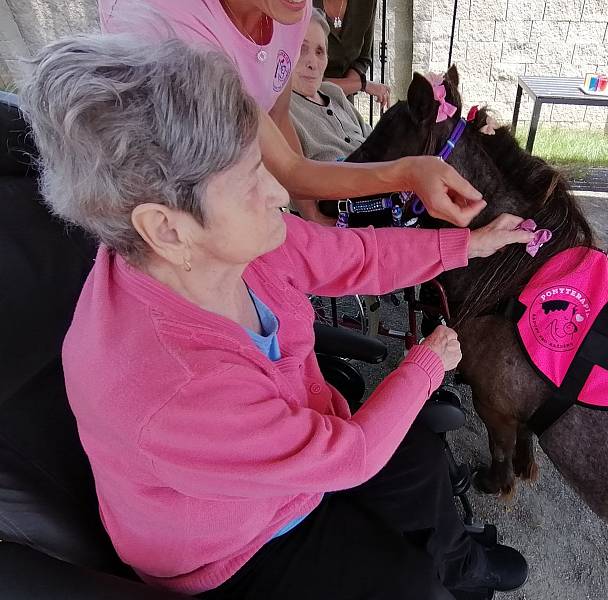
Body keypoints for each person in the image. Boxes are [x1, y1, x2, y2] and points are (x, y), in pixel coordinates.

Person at [20, 33, 533, 599]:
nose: (278, 191)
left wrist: (468, 246)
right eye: (249, 182)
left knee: (418, 457)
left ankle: (459, 562)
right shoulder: (175, 386)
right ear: (166, 227)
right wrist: (425, 367)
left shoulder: (220, 243)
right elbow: (350, 457)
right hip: (239, 544)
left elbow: (353, 258)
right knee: (408, 584)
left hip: (300, 447)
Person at [98, 0, 482, 226]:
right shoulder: (174, 26)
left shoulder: (290, 12)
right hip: (174, 215)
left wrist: (314, 216)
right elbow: (287, 168)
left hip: (238, 198)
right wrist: (408, 174)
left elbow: (279, 121)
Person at [290, 8, 370, 162]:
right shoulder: (283, 110)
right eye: (301, 49)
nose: (313, 63)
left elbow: (376, 140)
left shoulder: (333, 93)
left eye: (320, 52)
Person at [312, 0, 390, 108]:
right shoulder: (302, 4)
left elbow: (363, 58)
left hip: (344, 102)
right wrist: (361, 85)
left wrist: (350, 85)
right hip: (304, 102)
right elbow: (303, 78)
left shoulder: (367, 3)